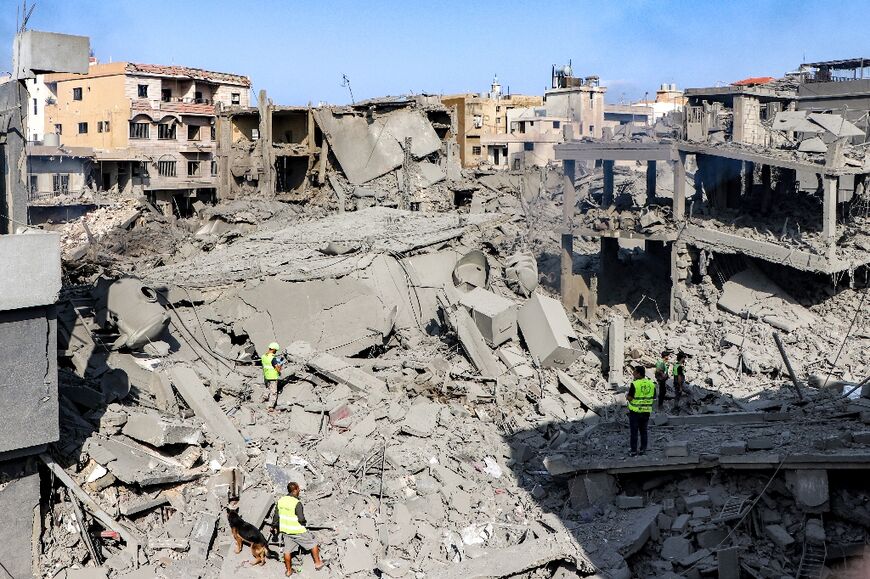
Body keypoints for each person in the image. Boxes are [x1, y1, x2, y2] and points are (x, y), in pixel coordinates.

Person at [272, 482, 325, 576]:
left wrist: (274, 527)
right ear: (295, 490)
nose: (299, 490)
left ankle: (288, 571)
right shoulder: (297, 503)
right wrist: (304, 522)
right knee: (313, 543)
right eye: (299, 489)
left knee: (287, 551)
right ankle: (318, 564)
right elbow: (301, 519)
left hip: (285, 531)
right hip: (297, 530)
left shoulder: (281, 500)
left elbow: (276, 517)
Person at [627, 365, 655, 456]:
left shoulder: (635, 384)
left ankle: (634, 451)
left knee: (634, 432)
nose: (633, 373)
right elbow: (654, 396)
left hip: (635, 412)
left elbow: (630, 398)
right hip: (646, 411)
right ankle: (643, 449)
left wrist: (626, 397)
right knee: (644, 431)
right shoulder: (651, 383)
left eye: (634, 372)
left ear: (639, 374)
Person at [261, 342, 282, 411]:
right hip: (273, 377)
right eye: (276, 350)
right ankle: (270, 406)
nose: (276, 352)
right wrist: (280, 365)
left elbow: (267, 365)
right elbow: (277, 369)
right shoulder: (273, 358)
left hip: (266, 376)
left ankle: (263, 398)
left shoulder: (263, 356)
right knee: (273, 392)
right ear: (273, 349)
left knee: (268, 388)